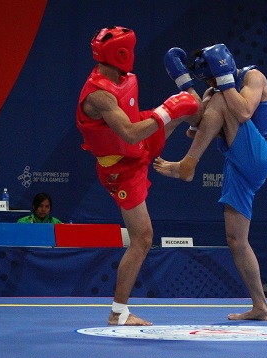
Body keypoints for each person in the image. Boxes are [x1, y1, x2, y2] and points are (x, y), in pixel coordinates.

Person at [76, 26, 199, 326]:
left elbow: (137, 126)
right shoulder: (100, 96)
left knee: (194, 105)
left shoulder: (125, 78)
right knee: (143, 238)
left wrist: (173, 111)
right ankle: (118, 313)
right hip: (121, 166)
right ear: (122, 53)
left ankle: (193, 149)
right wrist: (166, 112)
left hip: (138, 144)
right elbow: (130, 135)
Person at [154, 43, 267, 321]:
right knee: (236, 240)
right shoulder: (216, 90)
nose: (210, 83)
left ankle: (188, 165)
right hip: (237, 160)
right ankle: (261, 306)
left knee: (223, 99)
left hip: (260, 154)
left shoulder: (252, 77)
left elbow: (245, 112)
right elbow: (197, 127)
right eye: (206, 80)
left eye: (212, 76)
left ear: (222, 66)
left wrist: (222, 86)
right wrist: (189, 89)